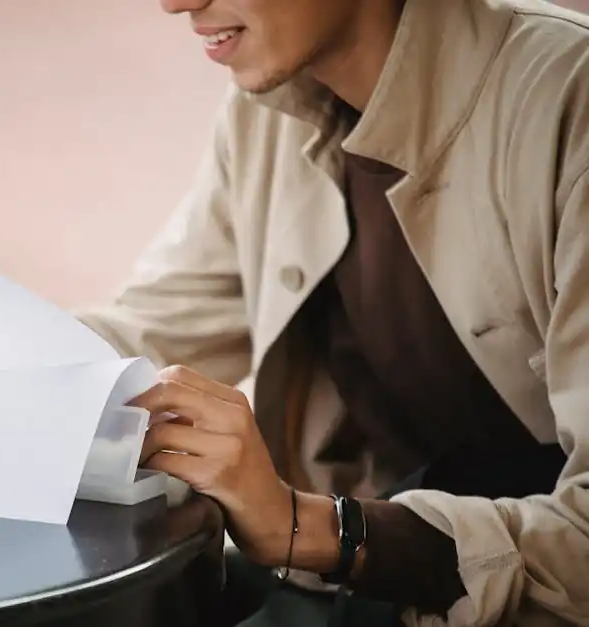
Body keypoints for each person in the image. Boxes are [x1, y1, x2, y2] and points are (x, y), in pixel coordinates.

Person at [74, 0, 589, 625]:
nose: (175, 3)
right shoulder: (268, 111)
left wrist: (306, 527)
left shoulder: (567, 101)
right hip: (344, 577)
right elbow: (146, 327)